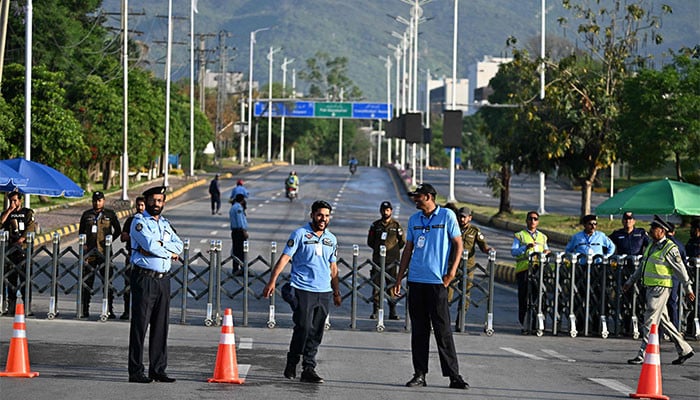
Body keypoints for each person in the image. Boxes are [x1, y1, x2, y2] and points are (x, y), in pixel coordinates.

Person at [392, 183, 469, 390]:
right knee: (419, 331)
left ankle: (454, 375)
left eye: (418, 196)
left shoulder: (446, 216)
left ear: (428, 197)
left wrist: (451, 272)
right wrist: (399, 278)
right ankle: (420, 374)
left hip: (437, 283)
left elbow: (458, 244)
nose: (415, 200)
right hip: (416, 281)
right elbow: (408, 249)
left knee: (443, 331)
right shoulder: (414, 219)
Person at [262, 200, 342, 384]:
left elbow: (333, 267)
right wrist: (272, 281)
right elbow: (285, 258)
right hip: (302, 288)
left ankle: (308, 368)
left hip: (324, 291)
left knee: (317, 331)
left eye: (326, 216)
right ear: (312, 215)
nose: (323, 219)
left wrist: (336, 292)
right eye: (320, 215)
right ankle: (292, 361)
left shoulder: (331, 239)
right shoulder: (300, 234)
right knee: (303, 327)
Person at [128, 186, 183, 383]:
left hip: (163, 279)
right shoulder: (139, 222)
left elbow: (179, 245)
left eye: (160, 201)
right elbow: (150, 245)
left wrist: (162, 247)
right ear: (146, 201)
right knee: (140, 326)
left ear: (164, 203)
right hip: (145, 279)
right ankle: (136, 371)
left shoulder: (165, 224)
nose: (156, 204)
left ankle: (158, 369)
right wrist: (167, 251)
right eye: (153, 200)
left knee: (161, 326)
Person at [623, 215, 695, 366]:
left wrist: (688, 288)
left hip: (661, 289)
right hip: (651, 288)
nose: (650, 231)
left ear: (662, 231)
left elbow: (681, 270)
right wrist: (630, 281)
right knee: (665, 321)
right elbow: (642, 267)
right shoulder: (651, 245)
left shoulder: (670, 248)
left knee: (649, 321)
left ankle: (643, 355)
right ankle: (685, 350)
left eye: (654, 228)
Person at [79, 191, 122, 319]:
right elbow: (81, 232)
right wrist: (85, 245)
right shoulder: (87, 215)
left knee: (107, 281)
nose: (97, 203)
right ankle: (84, 309)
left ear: (103, 201)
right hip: (91, 253)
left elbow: (118, 230)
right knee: (87, 281)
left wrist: (109, 241)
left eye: (99, 200)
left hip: (105, 252)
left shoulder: (110, 214)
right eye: (95, 201)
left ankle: (109, 309)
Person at [449, 206, 493, 317]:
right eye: (460, 217)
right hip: (453, 264)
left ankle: (461, 317)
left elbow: (483, 246)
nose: (462, 219)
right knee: (448, 289)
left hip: (468, 266)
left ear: (470, 218)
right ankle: (444, 314)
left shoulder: (474, 231)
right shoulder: (452, 228)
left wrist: (488, 250)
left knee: (466, 291)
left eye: (464, 217)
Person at [511, 211, 550, 333]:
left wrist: (546, 252)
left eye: (535, 219)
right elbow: (513, 252)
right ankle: (524, 323)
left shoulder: (542, 237)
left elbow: (546, 249)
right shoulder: (520, 235)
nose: (533, 221)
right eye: (530, 219)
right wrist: (525, 248)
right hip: (524, 270)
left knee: (538, 296)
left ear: (538, 221)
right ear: (526, 220)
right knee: (524, 297)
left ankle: (536, 323)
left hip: (538, 269)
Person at [366, 201, 405, 320]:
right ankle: (376, 311)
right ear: (380, 211)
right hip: (378, 260)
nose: (385, 212)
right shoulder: (375, 225)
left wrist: (392, 251)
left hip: (392, 262)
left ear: (391, 211)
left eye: (387, 210)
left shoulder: (396, 225)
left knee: (391, 286)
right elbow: (370, 241)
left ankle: (392, 311)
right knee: (376, 286)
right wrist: (378, 249)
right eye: (383, 210)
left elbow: (402, 242)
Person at [0, 191, 36, 315]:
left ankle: (27, 308)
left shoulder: (27, 212)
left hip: (24, 251)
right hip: (10, 252)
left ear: (20, 200)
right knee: (11, 280)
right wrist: (9, 211)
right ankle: (10, 308)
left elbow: (30, 228)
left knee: (25, 279)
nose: (13, 203)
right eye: (11, 201)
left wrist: (21, 240)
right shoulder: (7, 213)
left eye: (15, 200)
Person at [119, 196, 146, 320]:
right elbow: (123, 237)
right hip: (132, 255)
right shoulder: (131, 220)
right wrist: (134, 236)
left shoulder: (150, 221)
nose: (140, 207)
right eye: (138, 205)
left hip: (146, 258)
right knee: (128, 284)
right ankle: (126, 311)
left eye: (142, 205)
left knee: (144, 286)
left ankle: (142, 312)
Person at [665, 222, 687, 334]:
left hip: (661, 278)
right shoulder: (679, 245)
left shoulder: (661, 244)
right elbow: (683, 262)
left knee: (662, 305)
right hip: (675, 278)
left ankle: (663, 330)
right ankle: (674, 329)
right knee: (672, 303)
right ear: (673, 232)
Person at [229, 193, 249, 273]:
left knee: (236, 251)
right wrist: (244, 231)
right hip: (239, 232)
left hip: (236, 232)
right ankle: (242, 269)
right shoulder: (238, 208)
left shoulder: (234, 207)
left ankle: (236, 269)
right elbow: (239, 221)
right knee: (241, 251)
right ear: (242, 200)